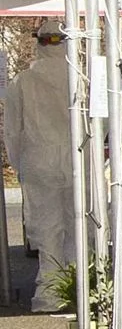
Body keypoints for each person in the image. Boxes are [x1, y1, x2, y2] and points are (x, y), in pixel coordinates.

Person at [5, 24, 76, 281]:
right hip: (77, 160)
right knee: (78, 223)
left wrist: (19, 165)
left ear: (39, 44)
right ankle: (80, 284)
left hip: (39, 161)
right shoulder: (79, 77)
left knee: (48, 230)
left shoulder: (22, 82)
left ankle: (52, 287)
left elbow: (12, 130)